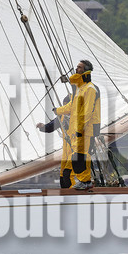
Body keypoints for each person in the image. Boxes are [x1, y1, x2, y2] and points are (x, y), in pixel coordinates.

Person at [35, 59, 100, 190]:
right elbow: (72, 106)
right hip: (78, 130)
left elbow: (87, 112)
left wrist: (80, 128)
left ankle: (85, 181)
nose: (77, 69)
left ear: (86, 70)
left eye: (80, 67)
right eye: (77, 67)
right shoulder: (80, 89)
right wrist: (57, 110)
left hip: (84, 130)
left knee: (80, 157)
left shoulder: (90, 89)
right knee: (79, 158)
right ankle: (84, 181)